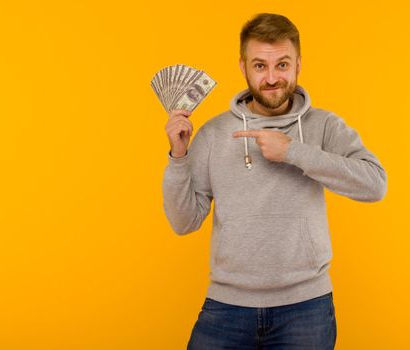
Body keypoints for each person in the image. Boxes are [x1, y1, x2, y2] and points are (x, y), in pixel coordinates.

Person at [162, 13, 387, 350]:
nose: (271, 78)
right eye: (259, 66)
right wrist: (178, 157)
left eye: (282, 65)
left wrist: (295, 152)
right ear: (243, 67)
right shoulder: (213, 133)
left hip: (306, 307)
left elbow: (375, 184)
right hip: (227, 306)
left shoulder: (324, 126)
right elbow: (184, 222)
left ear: (298, 64)